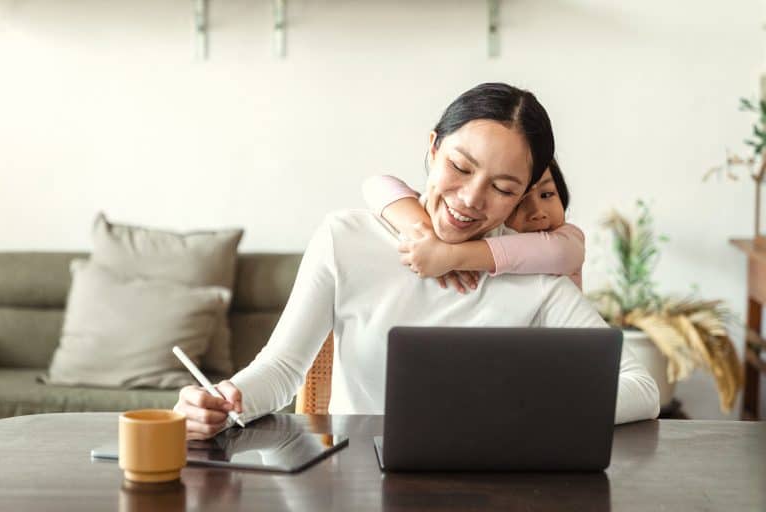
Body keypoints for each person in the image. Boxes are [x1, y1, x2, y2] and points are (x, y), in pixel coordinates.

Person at [174, 83, 660, 440]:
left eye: (503, 188)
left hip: (491, 488)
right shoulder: (346, 239)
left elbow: (641, 387)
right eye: (460, 167)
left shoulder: (533, 273)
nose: (470, 199)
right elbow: (281, 370)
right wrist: (221, 399)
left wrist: (533, 410)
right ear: (432, 148)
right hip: (356, 484)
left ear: (524, 195)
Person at [362, 157, 584, 291]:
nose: (538, 213)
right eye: (518, 203)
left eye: (547, 194)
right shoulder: (486, 234)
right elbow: (377, 185)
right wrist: (425, 235)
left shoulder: (568, 239)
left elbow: (558, 253)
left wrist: (449, 255)